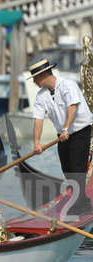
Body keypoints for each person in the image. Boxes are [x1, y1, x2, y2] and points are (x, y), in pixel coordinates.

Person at [30, 58, 93, 215]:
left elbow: (72, 106)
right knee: (67, 169)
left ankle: (79, 206)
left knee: (77, 168)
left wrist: (66, 128)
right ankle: (82, 202)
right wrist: (36, 142)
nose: (34, 81)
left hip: (80, 132)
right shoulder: (41, 96)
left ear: (43, 74)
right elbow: (38, 120)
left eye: (35, 78)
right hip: (62, 136)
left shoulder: (67, 85)